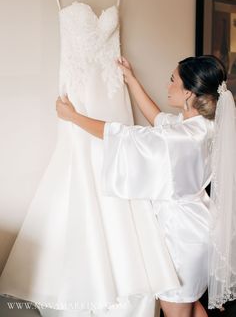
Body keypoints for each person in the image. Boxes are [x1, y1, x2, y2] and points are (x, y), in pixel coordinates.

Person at [56, 55, 236, 317]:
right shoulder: (206, 127)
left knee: (177, 309)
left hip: (180, 237)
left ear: (188, 92)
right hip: (200, 226)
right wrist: (131, 79)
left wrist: (73, 116)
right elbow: (158, 119)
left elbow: (124, 137)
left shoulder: (179, 138)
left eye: (172, 79)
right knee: (192, 304)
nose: (167, 85)